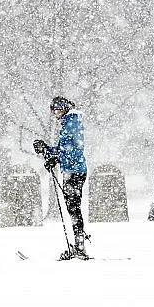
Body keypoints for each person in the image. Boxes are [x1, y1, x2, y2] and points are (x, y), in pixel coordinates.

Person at [34, 96, 88, 260]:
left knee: (73, 209)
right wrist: (46, 150)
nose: (55, 114)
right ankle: (78, 245)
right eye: (53, 111)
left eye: (57, 110)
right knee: (72, 208)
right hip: (70, 171)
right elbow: (62, 149)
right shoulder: (67, 124)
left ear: (64, 108)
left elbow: (74, 150)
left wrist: (57, 158)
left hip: (75, 171)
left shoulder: (72, 123)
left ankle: (80, 247)